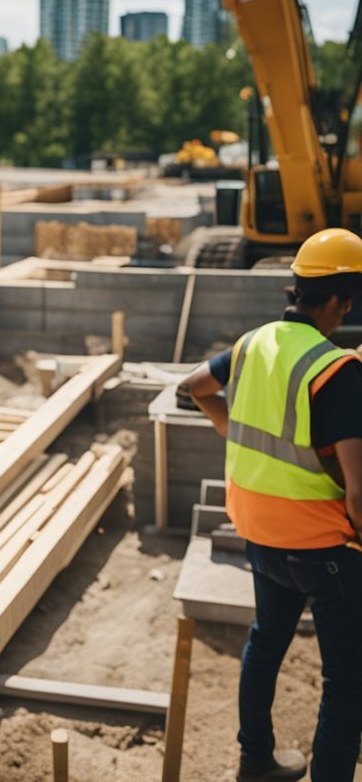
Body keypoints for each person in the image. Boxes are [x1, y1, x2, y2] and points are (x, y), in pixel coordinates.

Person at [182, 228, 362, 782]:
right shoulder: (337, 370)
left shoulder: (253, 343)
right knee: (346, 680)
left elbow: (193, 387)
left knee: (266, 643)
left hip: (259, 533)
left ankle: (255, 761)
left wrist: (236, 434)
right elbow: (358, 491)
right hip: (323, 544)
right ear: (339, 300)